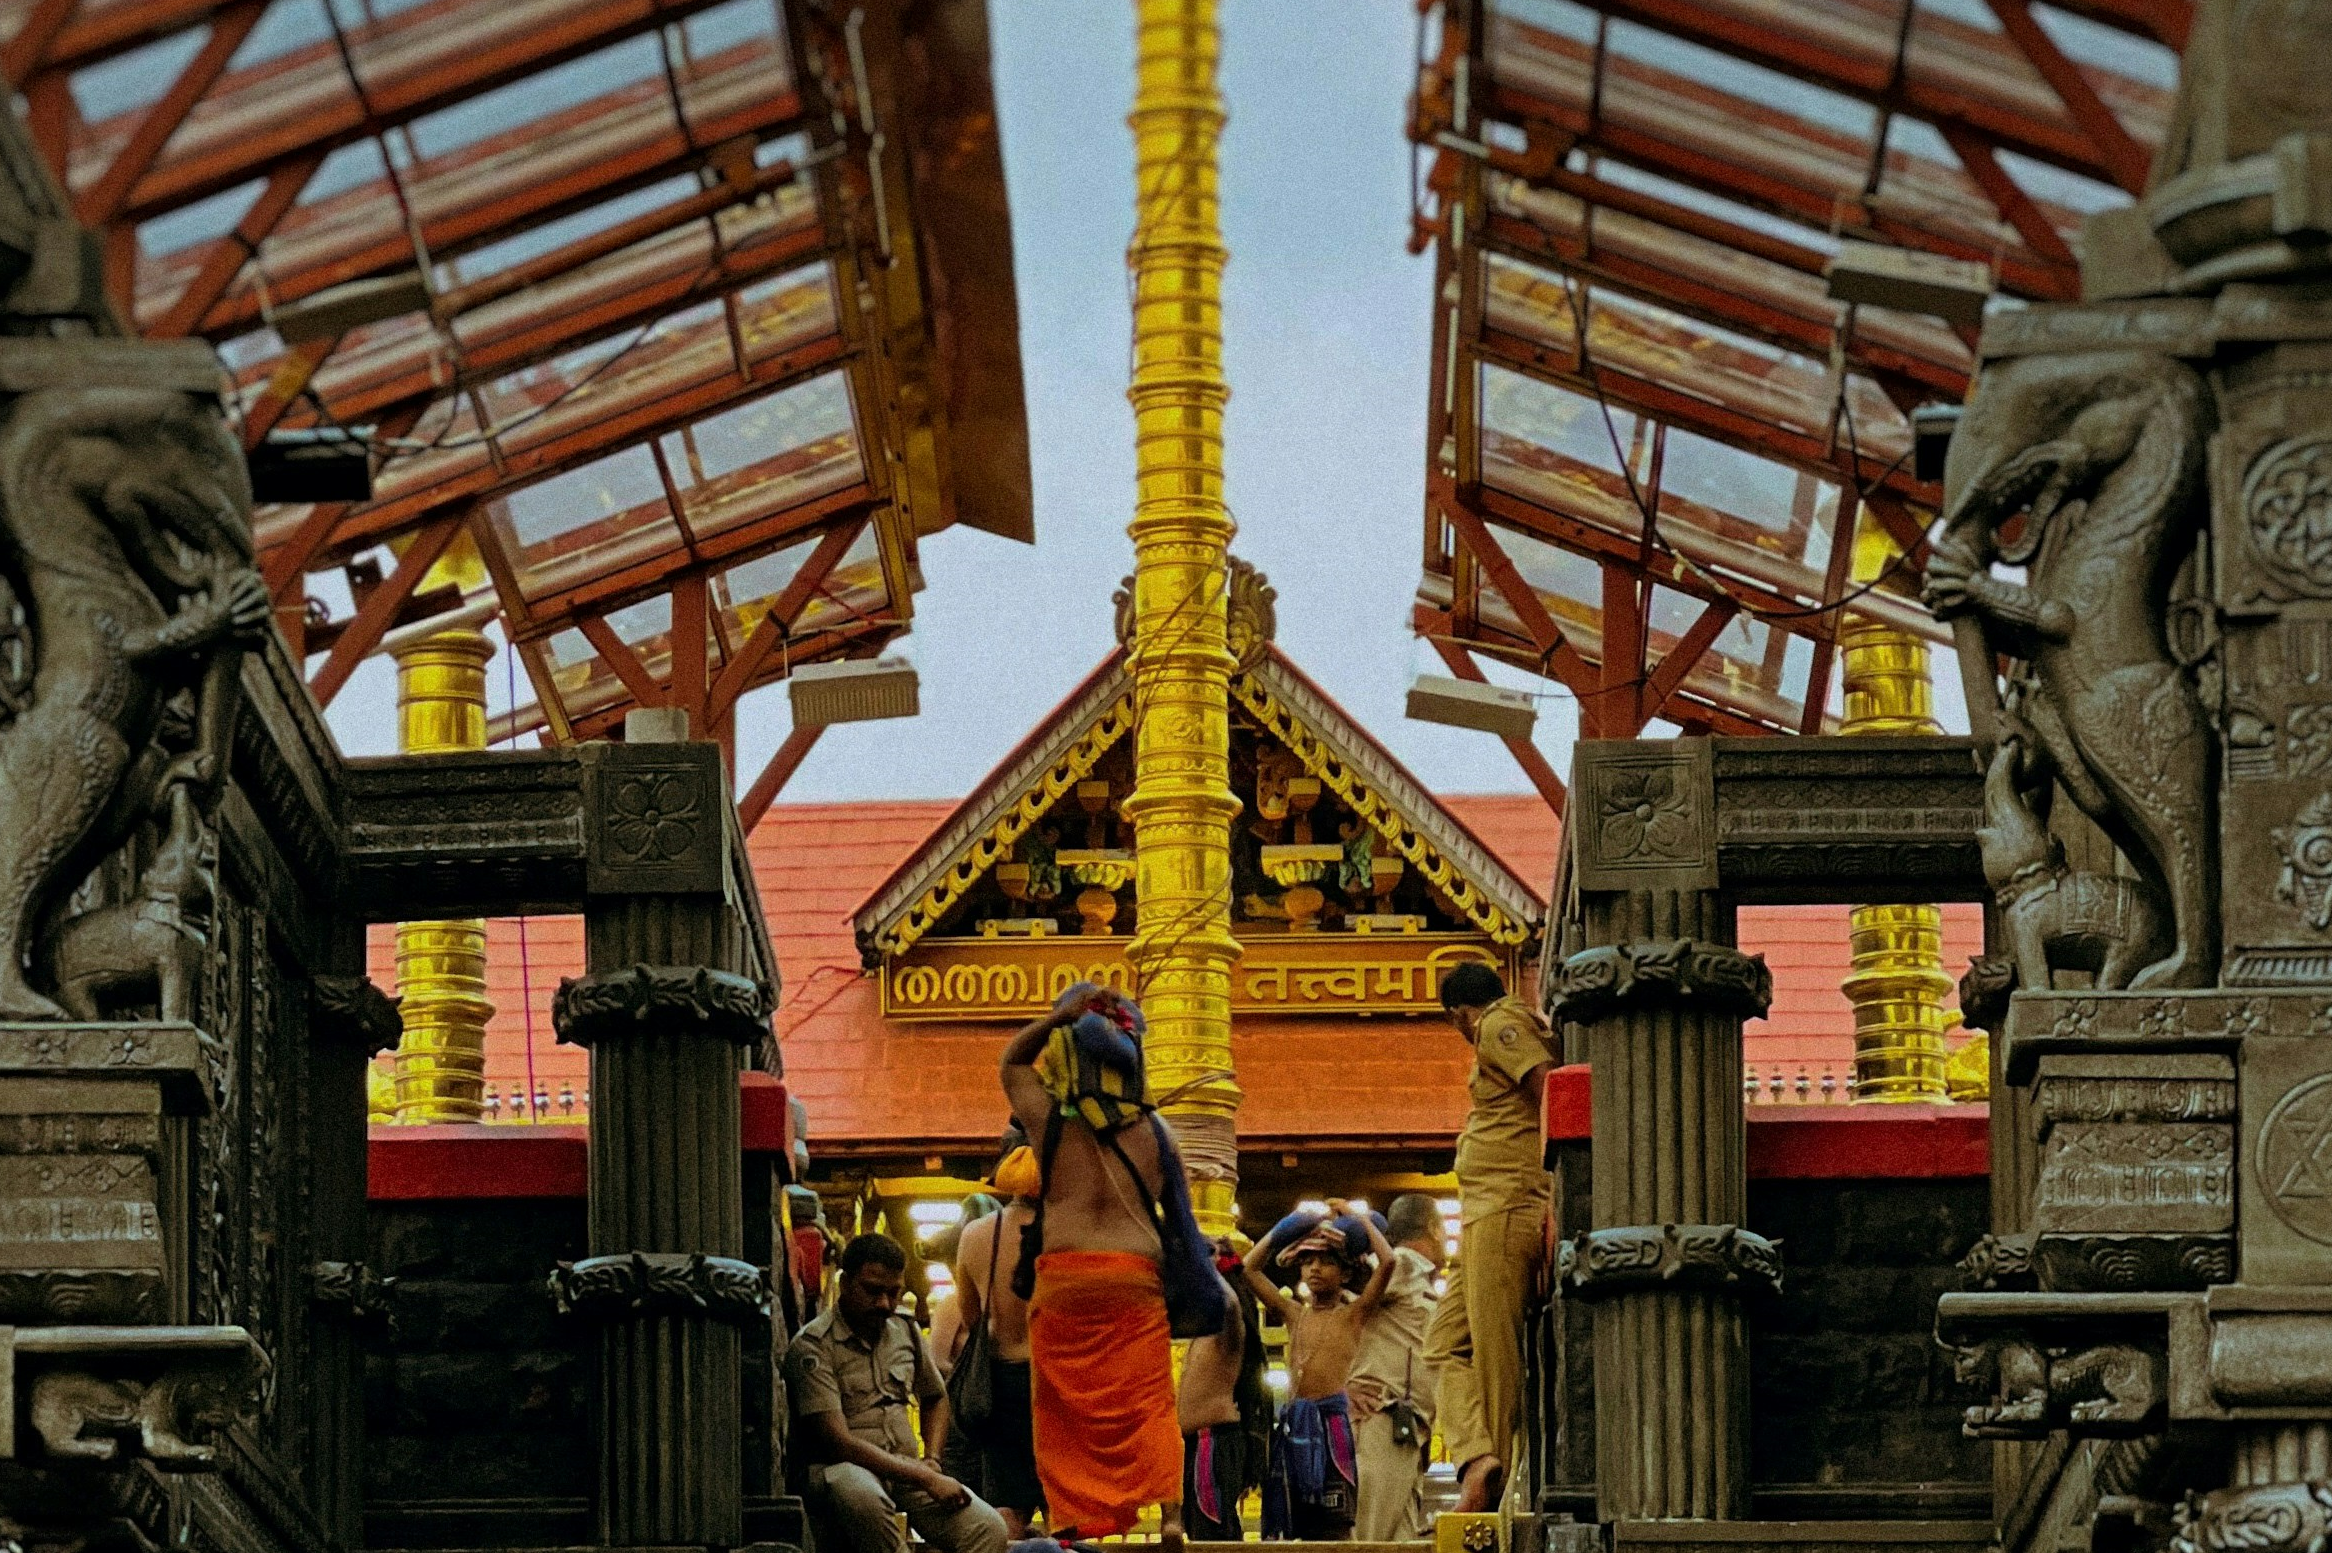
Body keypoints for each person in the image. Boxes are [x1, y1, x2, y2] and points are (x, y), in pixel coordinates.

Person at [1000, 983, 1210, 1550]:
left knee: (1060, 1409)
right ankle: (1169, 1516)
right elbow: (1181, 1223)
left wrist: (1056, 1017)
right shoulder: (1157, 1132)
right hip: (1134, 1276)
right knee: (1150, 1401)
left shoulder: (1049, 1120)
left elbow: (1012, 1061)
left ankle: (1069, 1523)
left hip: (1064, 1278)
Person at [1427, 962, 1559, 1514]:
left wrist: (1554, 1191)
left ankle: (1494, 1493)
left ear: (1459, 1014)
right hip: (1485, 1211)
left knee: (1496, 1356)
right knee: (1442, 1344)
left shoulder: (1499, 1025)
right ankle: (1480, 1457)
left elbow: (1549, 1086)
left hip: (1506, 1206)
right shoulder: (1502, 1026)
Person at [783, 1234, 1009, 1553]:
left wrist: (931, 1459)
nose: (884, 1304)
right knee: (860, 1492)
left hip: (906, 1470)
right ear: (846, 1284)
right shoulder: (813, 1347)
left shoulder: (903, 1329)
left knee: (988, 1528)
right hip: (840, 1470)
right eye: (873, 1291)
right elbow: (838, 1442)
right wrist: (923, 1475)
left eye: (893, 1292)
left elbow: (935, 1396)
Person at [1245, 1202, 1396, 1540]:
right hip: (1296, 1423)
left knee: (1337, 1525)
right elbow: (1249, 1269)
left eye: (1327, 1262)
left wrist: (1357, 1219)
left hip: (1333, 1426)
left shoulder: (1353, 1314)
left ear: (1345, 1274)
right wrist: (1293, 1225)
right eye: (1308, 1261)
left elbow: (1388, 1262)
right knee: (1297, 1525)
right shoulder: (1294, 1313)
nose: (1315, 1269)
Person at [953, 1145, 1042, 1538]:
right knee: (1067, 1501)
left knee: (1005, 1508)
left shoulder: (976, 1235)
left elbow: (972, 1316)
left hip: (1002, 1383)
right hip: (1056, 1380)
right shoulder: (1066, 1231)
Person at [1349, 1194, 1444, 1542]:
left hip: (1407, 1427)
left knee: (1399, 1540)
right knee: (1372, 1538)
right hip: (1385, 1417)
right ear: (1434, 1228)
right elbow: (1349, 1309)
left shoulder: (1416, 1277)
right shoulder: (1402, 1264)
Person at [1178, 1248, 1254, 1542]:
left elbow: (1232, 1305)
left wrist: (1207, 1267)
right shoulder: (1202, 1334)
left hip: (1214, 1441)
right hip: (1194, 1444)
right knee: (1199, 1532)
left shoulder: (1229, 1332)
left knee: (1213, 1533)